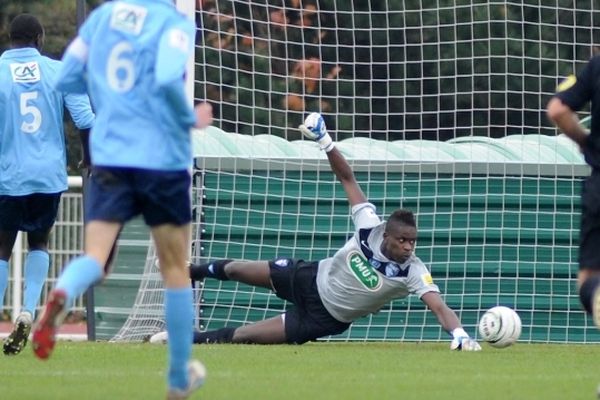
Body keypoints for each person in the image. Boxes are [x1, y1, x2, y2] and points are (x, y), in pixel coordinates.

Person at [152, 112, 481, 351]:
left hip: (323, 318)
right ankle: (186, 272)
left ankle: (180, 338)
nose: (409, 247)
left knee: (244, 336)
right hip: (308, 276)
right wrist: (325, 141)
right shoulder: (369, 226)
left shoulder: (413, 272)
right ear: (388, 235)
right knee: (238, 268)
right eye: (403, 240)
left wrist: (459, 334)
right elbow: (348, 180)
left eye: (413, 242)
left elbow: (439, 306)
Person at [30, 1, 206, 399]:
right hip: (162, 159)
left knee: (94, 259)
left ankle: (61, 294)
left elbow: (67, 79)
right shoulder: (171, 22)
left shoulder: (102, 19)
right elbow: (164, 79)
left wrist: (112, 97)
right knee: (176, 269)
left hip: (111, 158)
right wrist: (189, 119)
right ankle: (179, 378)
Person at [0, 14, 95, 356]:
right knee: (39, 241)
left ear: (10, 39)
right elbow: (85, 118)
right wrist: (88, 157)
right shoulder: (58, 71)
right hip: (48, 175)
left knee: (2, 248)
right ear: (39, 39)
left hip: (7, 176)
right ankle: (27, 309)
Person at [547, 56, 600, 328]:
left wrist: (586, 141)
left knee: (589, 280)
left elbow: (557, 110)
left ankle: (596, 293)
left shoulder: (596, 66)